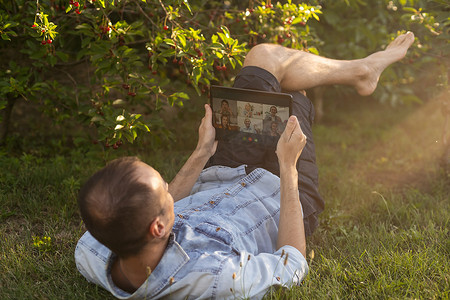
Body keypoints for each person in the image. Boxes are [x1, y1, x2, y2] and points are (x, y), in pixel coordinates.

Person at [75, 32, 415, 299]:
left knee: (263, 57)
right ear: (158, 228)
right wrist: (289, 167)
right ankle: (365, 70)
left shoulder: (92, 247)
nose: (171, 191)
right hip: (280, 194)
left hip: (219, 171)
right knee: (295, 96)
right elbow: (293, 266)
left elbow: (149, 211)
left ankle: (363, 70)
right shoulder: (216, 277)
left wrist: (201, 152)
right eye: (165, 192)